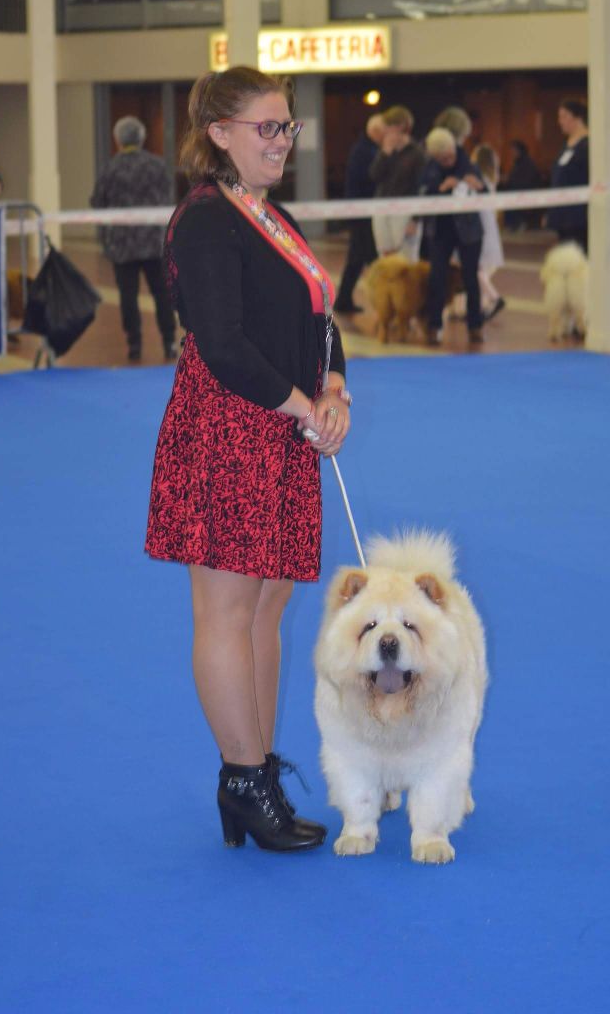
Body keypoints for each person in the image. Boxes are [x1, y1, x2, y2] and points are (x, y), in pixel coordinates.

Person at [145, 66, 351, 853]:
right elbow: (223, 344)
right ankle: (241, 778)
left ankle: (259, 773)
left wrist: (334, 387)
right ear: (219, 134)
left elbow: (320, 315)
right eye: (267, 128)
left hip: (283, 428)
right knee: (228, 612)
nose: (282, 141)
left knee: (268, 605)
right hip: (227, 432)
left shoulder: (269, 214)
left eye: (287, 126)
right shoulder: (205, 220)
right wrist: (304, 407)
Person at [90, 115, 177, 362]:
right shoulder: (157, 166)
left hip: (122, 246)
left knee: (128, 297)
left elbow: (97, 203)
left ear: (118, 139)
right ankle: (169, 342)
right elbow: (167, 199)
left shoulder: (110, 169)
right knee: (162, 295)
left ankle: (134, 345)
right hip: (154, 244)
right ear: (142, 138)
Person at [421, 127, 485, 346]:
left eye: (449, 156)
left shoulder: (470, 165)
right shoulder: (429, 168)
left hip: (468, 230)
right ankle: (434, 326)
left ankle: (475, 326)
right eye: (441, 159)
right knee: (436, 278)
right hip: (440, 230)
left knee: (470, 278)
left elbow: (484, 191)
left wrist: (477, 186)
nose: (446, 161)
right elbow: (422, 192)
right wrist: (441, 188)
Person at [333, 113, 385, 314]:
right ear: (375, 131)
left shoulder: (365, 148)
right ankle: (382, 302)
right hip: (362, 213)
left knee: (357, 258)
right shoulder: (366, 151)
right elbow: (371, 179)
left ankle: (344, 300)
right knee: (370, 258)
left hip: (361, 212)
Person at [369, 106, 426, 261]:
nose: (386, 131)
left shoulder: (417, 153)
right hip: (382, 207)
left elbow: (421, 188)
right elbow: (374, 176)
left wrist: (415, 219)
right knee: (385, 258)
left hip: (405, 211)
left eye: (390, 127)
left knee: (406, 259)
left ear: (401, 127)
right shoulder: (384, 151)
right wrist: (385, 154)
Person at [547, 99, 589, 252]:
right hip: (563, 216)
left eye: (564, 116)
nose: (560, 121)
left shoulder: (587, 144)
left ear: (578, 117)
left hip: (579, 217)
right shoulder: (566, 145)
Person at [471, 143, 505, 321]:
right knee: (481, 269)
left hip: (480, 228)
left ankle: (494, 297)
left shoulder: (478, 179)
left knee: (476, 269)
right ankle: (482, 306)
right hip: (490, 228)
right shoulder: (491, 180)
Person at [502, 139, 541, 231]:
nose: (512, 153)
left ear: (519, 150)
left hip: (526, 193)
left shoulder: (527, 163)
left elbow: (526, 181)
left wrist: (509, 180)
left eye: (513, 151)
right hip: (516, 191)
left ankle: (520, 223)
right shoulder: (517, 163)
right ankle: (512, 225)